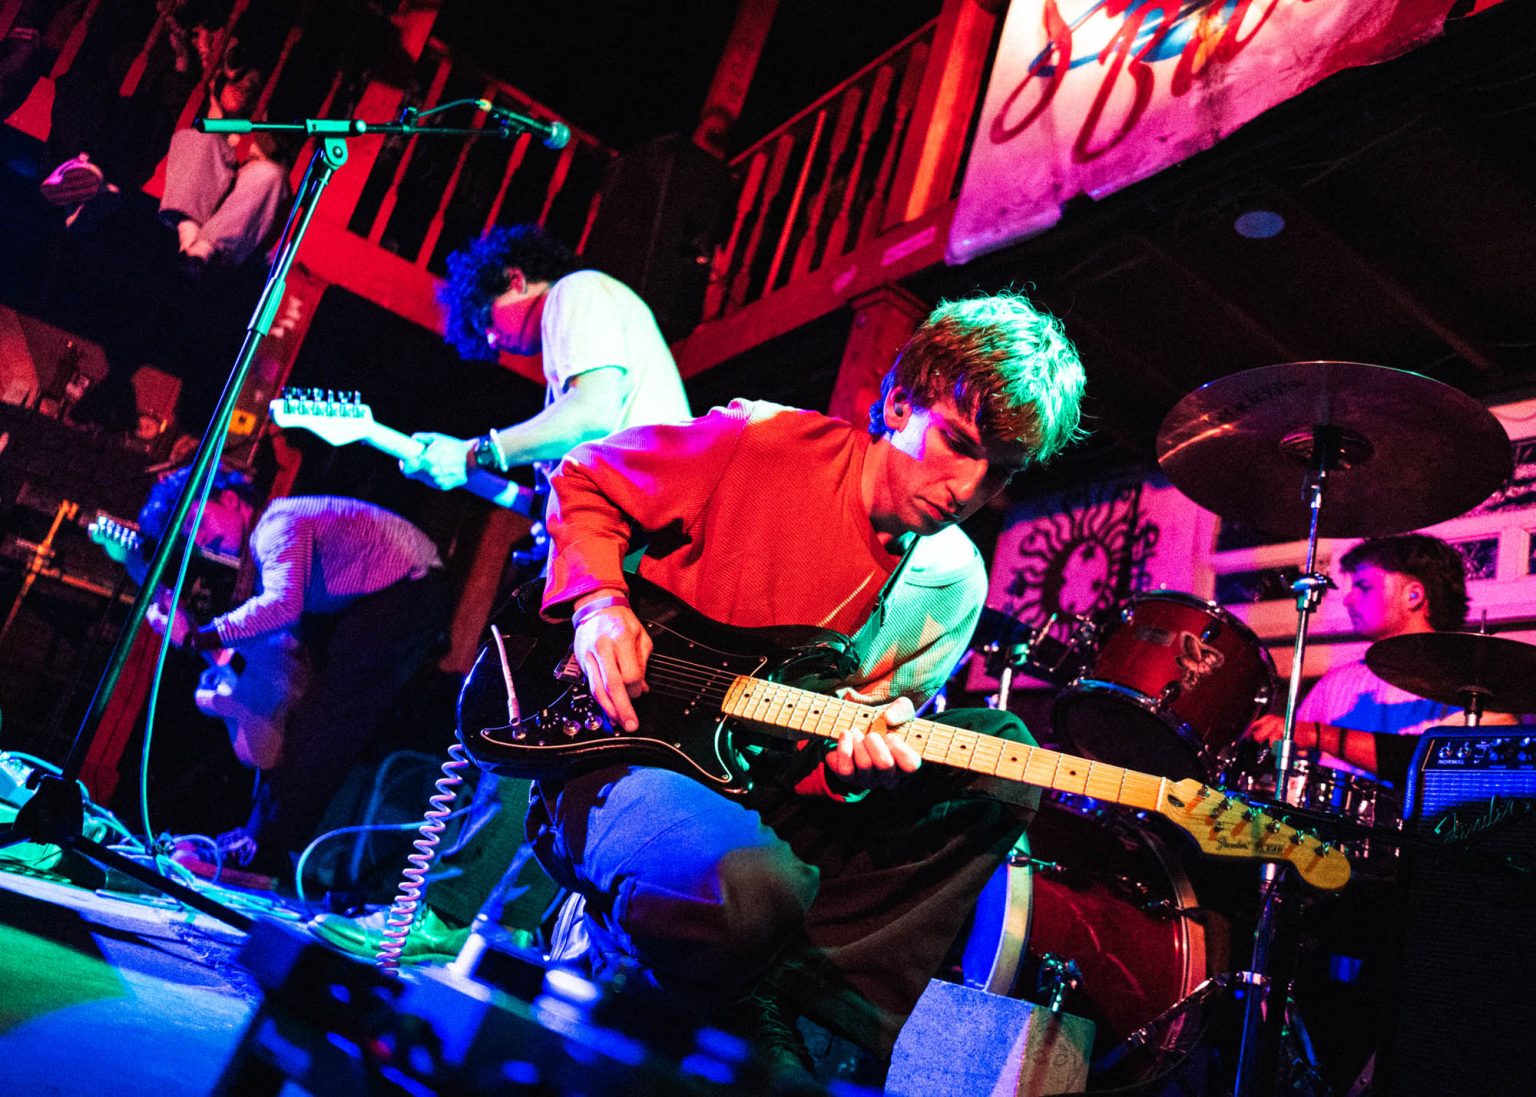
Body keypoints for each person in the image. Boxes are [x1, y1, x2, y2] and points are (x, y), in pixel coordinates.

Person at [524, 290, 1086, 1077]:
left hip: (760, 791)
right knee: (755, 887)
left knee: (997, 756)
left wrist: (849, 769)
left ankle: (806, 993)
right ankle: (689, 949)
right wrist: (598, 604)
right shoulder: (761, 440)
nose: (967, 488)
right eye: (958, 443)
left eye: (999, 473)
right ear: (898, 403)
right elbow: (585, 478)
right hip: (623, 750)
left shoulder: (955, 583)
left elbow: (824, 765)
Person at [309, 223, 691, 960]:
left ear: (514, 279)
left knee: (515, 737)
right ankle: (503, 930)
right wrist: (466, 472)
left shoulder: (576, 296)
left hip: (625, 555)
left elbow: (594, 414)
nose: (497, 345)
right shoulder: (593, 328)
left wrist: (480, 447)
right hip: (625, 549)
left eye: (490, 323)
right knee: (562, 752)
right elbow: (559, 488)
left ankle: (440, 916)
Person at [141, 465, 450, 889]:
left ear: (229, 499)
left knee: (323, 724)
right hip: (394, 597)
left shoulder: (275, 526)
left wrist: (197, 636)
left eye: (197, 520)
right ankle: (261, 838)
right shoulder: (269, 534)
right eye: (187, 536)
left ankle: (266, 852)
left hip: (403, 595)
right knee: (303, 718)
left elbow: (281, 606)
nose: (197, 539)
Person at [1246, 532, 1512, 785]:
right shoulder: (1335, 684)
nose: (1349, 600)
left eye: (1363, 587)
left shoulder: (1474, 686)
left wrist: (1315, 734)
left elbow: (1436, 769)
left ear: (1413, 595)